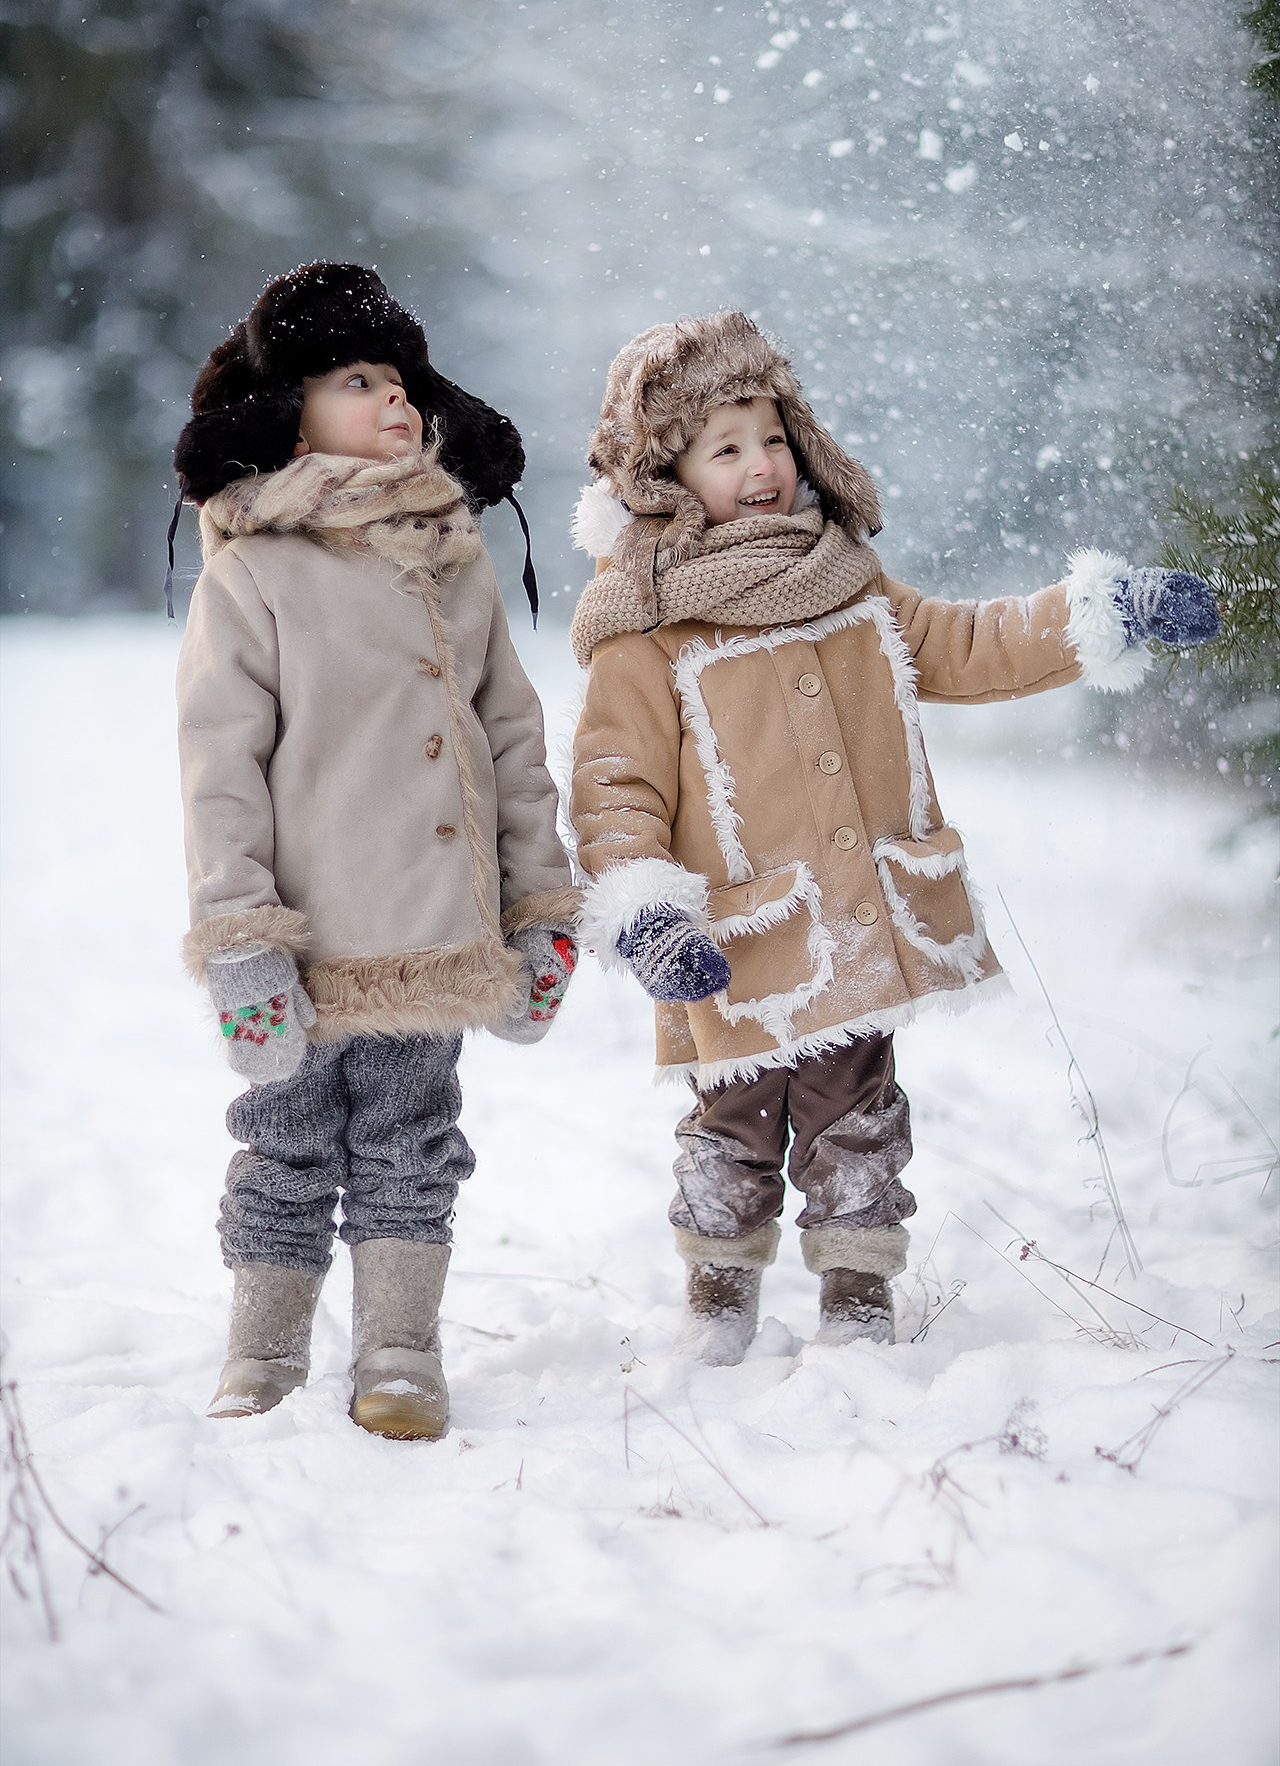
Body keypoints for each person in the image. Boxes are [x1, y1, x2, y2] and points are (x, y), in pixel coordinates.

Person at [569, 311, 1217, 1365]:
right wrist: (644, 907)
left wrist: (1102, 612)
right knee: (731, 1131)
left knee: (856, 1120)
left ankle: (857, 1304)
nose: (760, 466)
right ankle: (716, 1303)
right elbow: (613, 784)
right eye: (723, 449)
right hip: (734, 948)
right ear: (665, 474)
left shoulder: (847, 581)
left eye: (770, 437)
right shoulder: (646, 627)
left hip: (855, 925)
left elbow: (969, 644)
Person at [174, 262, 579, 1437]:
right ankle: (263, 1351)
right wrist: (240, 939)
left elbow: (511, 736)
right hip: (302, 941)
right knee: (285, 1143)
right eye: (359, 381)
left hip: (433, 931)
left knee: (412, 1143)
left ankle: (401, 1351)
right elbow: (218, 771)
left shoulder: (455, 559)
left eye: (401, 382)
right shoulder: (252, 570)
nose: (395, 402)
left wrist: (538, 908)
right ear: (289, 409)